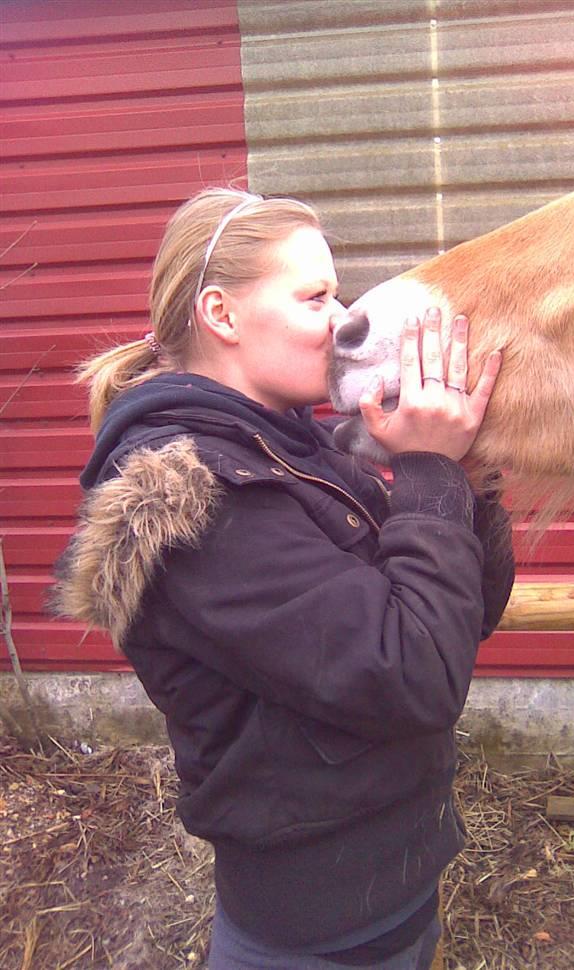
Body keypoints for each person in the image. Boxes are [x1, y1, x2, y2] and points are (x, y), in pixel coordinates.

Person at [53, 187, 515, 969]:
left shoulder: (298, 452)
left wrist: (468, 480)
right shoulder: (198, 500)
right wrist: (430, 473)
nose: (343, 319)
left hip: (394, 889)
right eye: (315, 297)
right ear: (222, 315)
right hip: (316, 933)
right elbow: (414, 674)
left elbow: (461, 618)